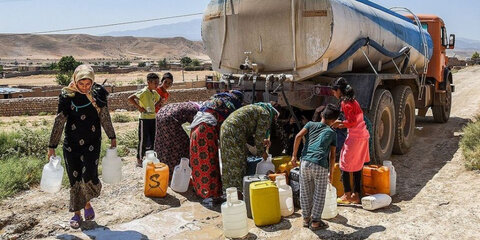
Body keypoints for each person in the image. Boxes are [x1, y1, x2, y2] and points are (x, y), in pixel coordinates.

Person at [47, 64, 116, 229]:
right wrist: (52, 146)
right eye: (81, 84)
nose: (85, 87)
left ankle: (87, 203)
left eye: (88, 84)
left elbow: (105, 117)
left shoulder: (98, 94)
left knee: (88, 175)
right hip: (71, 144)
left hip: (93, 142)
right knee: (75, 178)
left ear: (92, 81)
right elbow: (60, 120)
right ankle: (77, 212)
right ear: (75, 81)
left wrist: (112, 136)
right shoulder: (67, 95)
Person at [291, 104, 340, 231]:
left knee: (305, 192)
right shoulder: (332, 133)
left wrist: (294, 156)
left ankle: (306, 219)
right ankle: (316, 222)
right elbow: (332, 156)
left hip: (305, 162)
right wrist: (331, 174)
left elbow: (298, 136)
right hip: (320, 165)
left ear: (322, 115)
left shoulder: (310, 124)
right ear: (333, 121)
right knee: (319, 194)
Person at [189, 90, 244, 200]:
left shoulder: (214, 100)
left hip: (194, 129)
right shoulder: (228, 105)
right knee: (209, 162)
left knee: (198, 161)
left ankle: (201, 191)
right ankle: (211, 194)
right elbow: (227, 126)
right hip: (206, 131)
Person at [220, 102, 280, 193]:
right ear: (273, 114)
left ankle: (228, 193)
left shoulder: (258, 110)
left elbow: (252, 131)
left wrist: (262, 141)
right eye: (275, 118)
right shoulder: (265, 114)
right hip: (234, 133)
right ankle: (237, 195)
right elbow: (259, 136)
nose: (274, 121)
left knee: (229, 164)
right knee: (237, 164)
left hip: (226, 129)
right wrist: (262, 152)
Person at [330, 77, 370, 204]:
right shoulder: (354, 102)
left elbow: (352, 122)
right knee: (358, 165)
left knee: (344, 163)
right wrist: (342, 125)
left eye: (334, 91)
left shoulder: (345, 103)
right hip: (363, 135)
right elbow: (356, 121)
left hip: (355, 136)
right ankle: (356, 195)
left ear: (339, 91)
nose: (333, 94)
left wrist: (340, 122)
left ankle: (347, 194)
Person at [154, 101, 201, 176]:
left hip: (160, 114)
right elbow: (196, 127)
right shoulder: (195, 111)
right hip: (169, 119)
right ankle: (177, 170)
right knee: (182, 143)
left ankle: (164, 169)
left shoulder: (187, 105)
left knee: (164, 141)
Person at [128, 73, 161, 167]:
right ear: (148, 82)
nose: (157, 85)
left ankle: (152, 158)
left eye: (158, 83)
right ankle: (139, 159)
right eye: (155, 83)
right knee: (143, 139)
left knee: (154, 138)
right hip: (144, 119)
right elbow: (130, 98)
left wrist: (156, 104)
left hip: (153, 118)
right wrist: (139, 107)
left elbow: (160, 99)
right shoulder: (143, 92)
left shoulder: (154, 93)